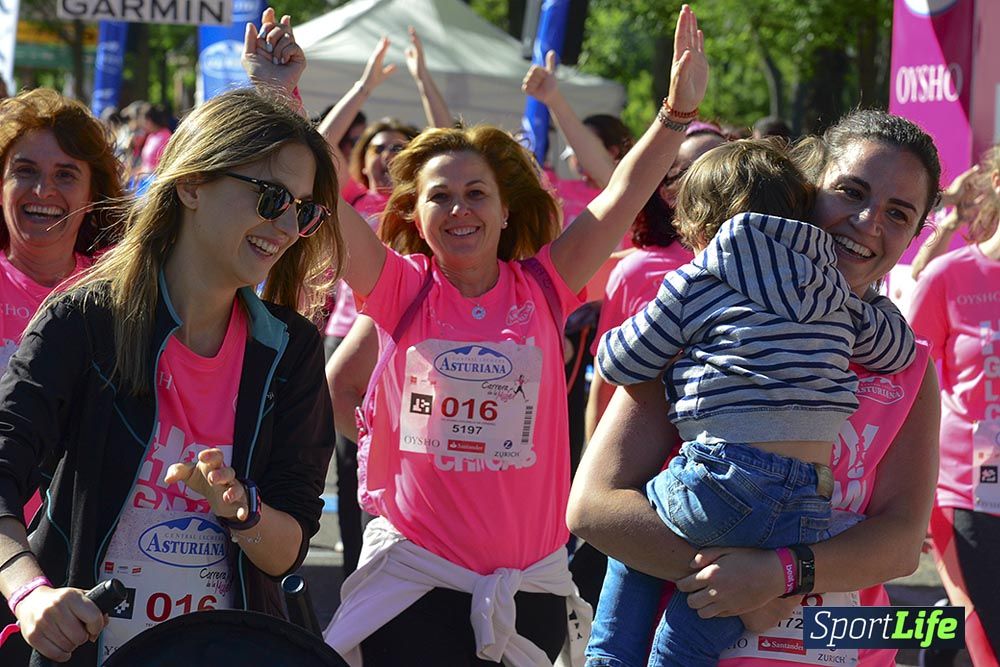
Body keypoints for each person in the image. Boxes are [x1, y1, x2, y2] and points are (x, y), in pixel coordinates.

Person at [247, 5, 707, 663]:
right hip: (414, 585)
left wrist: (676, 114)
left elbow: (622, 196)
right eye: (440, 196)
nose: (458, 208)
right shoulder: (401, 286)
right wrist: (278, 94)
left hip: (529, 589)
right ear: (416, 212)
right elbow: (317, 189)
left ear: (504, 208)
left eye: (476, 193)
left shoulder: (546, 283)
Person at [570, 109, 942, 667]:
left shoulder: (908, 364)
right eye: (850, 191)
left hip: (843, 647)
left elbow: (902, 543)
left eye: (898, 213)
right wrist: (731, 585)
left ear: (915, 235)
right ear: (805, 190)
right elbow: (592, 508)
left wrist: (779, 576)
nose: (868, 221)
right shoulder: (711, 321)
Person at [0, 76, 339, 664]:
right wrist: (30, 593)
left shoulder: (293, 350)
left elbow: (287, 552)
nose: (286, 227)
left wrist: (243, 510)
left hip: (230, 651)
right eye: (270, 197)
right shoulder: (84, 319)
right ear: (190, 185)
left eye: (303, 210)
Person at [320, 28, 452, 576]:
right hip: (349, 335)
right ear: (361, 159)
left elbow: (454, 146)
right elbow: (314, 157)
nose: (387, 155)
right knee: (355, 464)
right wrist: (364, 85)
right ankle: (358, 569)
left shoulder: (428, 208)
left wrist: (424, 82)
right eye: (376, 147)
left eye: (399, 148)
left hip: (415, 337)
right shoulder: (349, 202)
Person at [909, 143, 1000, 666]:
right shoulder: (949, 278)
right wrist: (903, 495)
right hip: (967, 492)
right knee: (981, 630)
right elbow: (898, 390)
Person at [0, 88, 122, 376]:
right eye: (25, 170)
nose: (42, 191)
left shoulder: (121, 289)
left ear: (93, 195)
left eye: (65, 175)